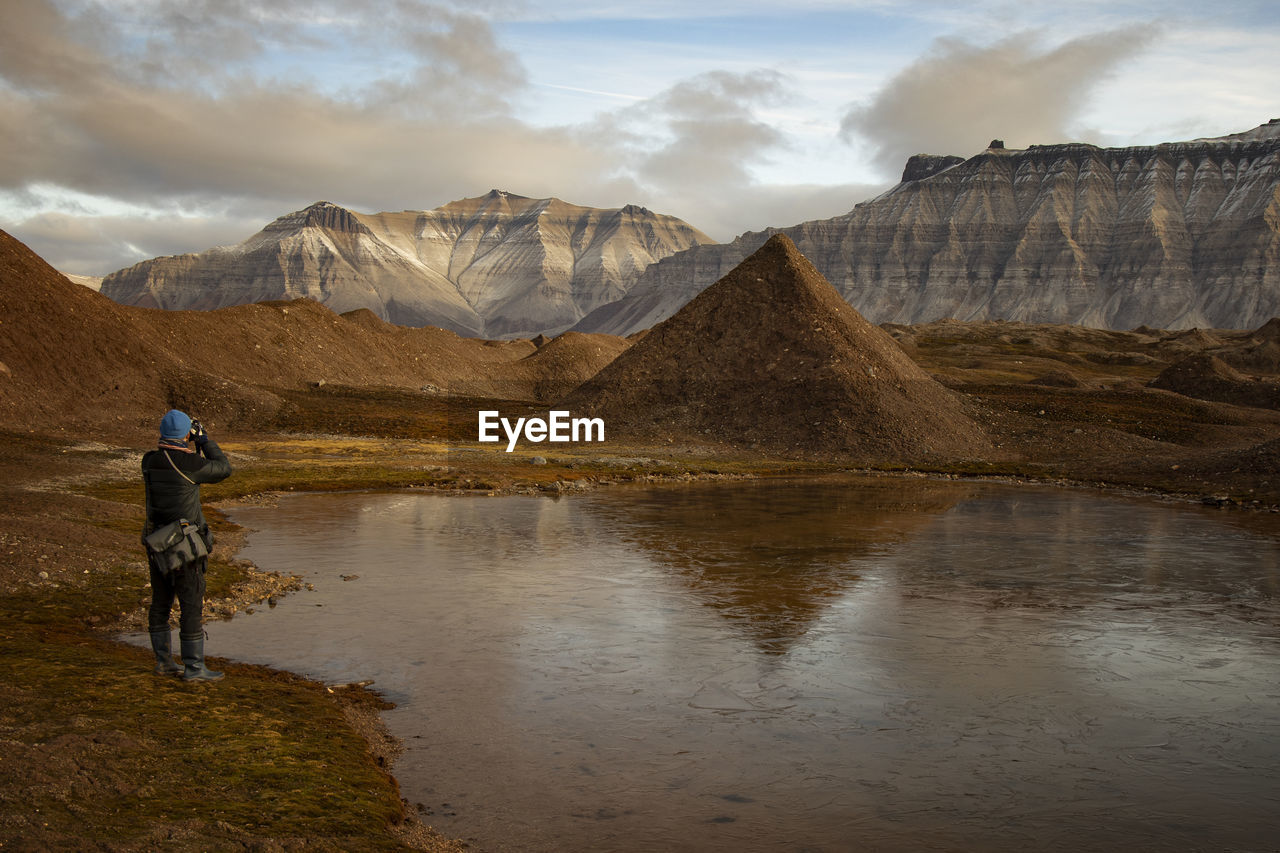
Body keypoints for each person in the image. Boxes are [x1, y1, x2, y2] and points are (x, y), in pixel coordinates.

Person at [142, 409, 233, 681]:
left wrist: (187, 441)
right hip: (186, 544)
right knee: (191, 604)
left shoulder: (149, 461)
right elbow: (223, 468)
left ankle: (163, 662)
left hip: (157, 541)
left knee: (161, 602)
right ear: (185, 433)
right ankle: (194, 668)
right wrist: (203, 440)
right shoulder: (189, 463)